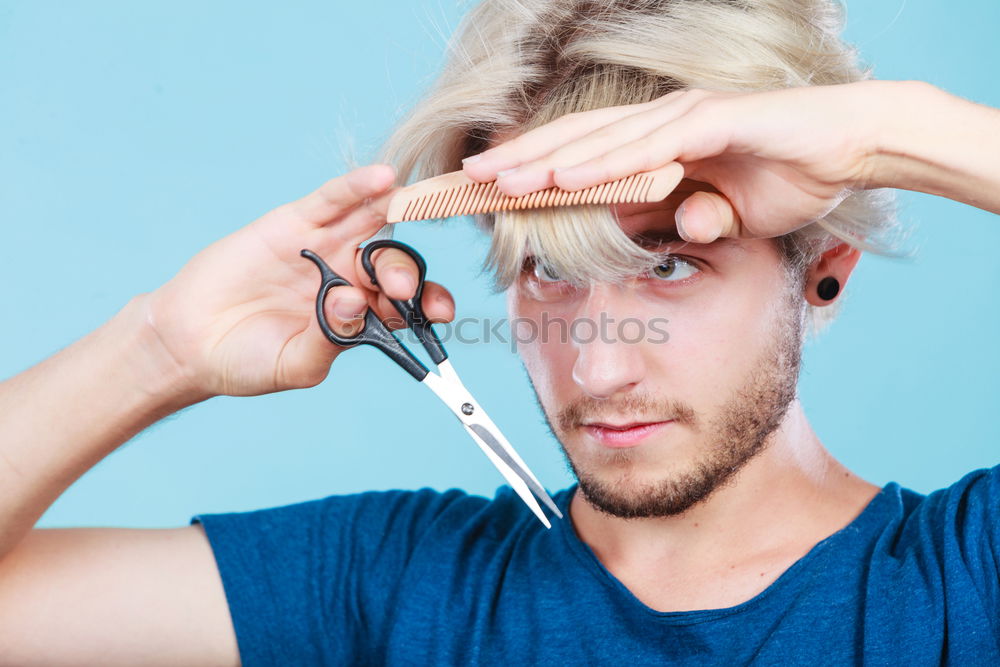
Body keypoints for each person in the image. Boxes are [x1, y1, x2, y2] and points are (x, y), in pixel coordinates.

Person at [1, 0, 998, 664]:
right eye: (546, 271)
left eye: (667, 263)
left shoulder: (966, 578)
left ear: (821, 269)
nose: (598, 366)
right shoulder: (391, 582)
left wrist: (889, 134)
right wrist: (159, 352)